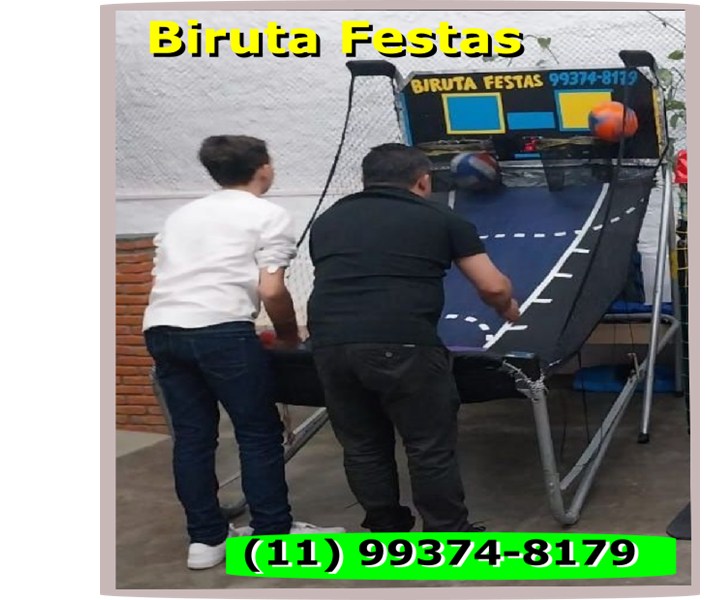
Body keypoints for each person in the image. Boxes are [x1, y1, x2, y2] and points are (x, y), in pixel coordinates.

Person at [142, 135, 344, 571]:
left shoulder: (180, 216)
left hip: (162, 328)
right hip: (222, 331)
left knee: (193, 437)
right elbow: (271, 289)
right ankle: (272, 535)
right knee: (257, 432)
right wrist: (288, 335)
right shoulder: (267, 215)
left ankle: (206, 541)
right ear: (263, 168)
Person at [307, 143, 520, 533]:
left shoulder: (327, 221)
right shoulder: (441, 217)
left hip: (330, 343)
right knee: (427, 446)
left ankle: (386, 529)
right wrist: (508, 308)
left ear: (366, 180)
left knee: (362, 444)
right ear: (423, 181)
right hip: (403, 342)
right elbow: (492, 286)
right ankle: (446, 533)